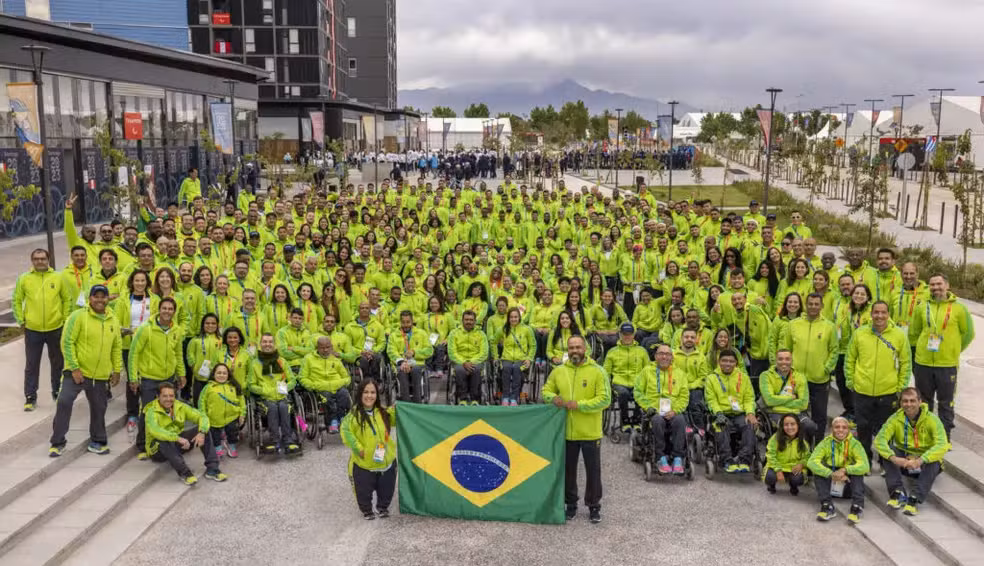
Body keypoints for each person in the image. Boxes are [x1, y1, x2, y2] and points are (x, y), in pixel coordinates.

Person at [542, 335, 610, 524]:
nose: (574, 351)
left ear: (585, 349)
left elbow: (605, 399)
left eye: (578, 347)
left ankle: (594, 506)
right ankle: (570, 505)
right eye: (571, 348)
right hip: (566, 432)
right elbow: (546, 390)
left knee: (593, 471)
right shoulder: (559, 371)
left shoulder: (598, 371)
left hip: (590, 431)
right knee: (568, 471)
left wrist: (579, 405)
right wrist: (552, 398)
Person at [48, 285, 122, 457]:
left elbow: (116, 346)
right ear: (90, 299)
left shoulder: (113, 320)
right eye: (96, 297)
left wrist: (117, 369)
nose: (99, 300)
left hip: (100, 375)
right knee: (64, 402)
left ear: (108, 299)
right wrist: (74, 368)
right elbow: (67, 342)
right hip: (76, 373)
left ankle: (98, 441)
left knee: (99, 407)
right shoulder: (77, 316)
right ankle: (58, 441)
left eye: (103, 297)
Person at [908, 273, 974, 438]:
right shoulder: (922, 307)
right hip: (923, 363)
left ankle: (944, 436)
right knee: (924, 401)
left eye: (939, 284)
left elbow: (968, 334)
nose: (936, 288)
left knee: (946, 402)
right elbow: (914, 333)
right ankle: (924, 434)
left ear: (947, 285)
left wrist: (953, 349)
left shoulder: (959, 309)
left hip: (947, 365)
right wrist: (920, 352)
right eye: (932, 285)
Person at [846, 300, 911, 463]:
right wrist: (850, 380)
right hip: (862, 390)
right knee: (863, 428)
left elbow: (905, 363)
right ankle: (864, 459)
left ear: (888, 315)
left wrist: (901, 387)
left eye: (883, 312)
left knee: (886, 430)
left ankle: (885, 462)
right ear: (871, 313)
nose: (879, 316)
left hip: (888, 392)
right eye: (876, 312)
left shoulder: (899, 335)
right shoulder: (860, 333)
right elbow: (850, 358)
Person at [875, 388, 950, 516]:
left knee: (935, 460)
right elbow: (879, 440)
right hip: (904, 462)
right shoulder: (894, 418)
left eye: (912, 401)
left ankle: (914, 498)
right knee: (888, 452)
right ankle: (898, 493)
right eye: (905, 401)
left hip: (923, 463)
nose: (908, 404)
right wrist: (895, 458)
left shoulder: (932, 419)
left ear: (920, 401)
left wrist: (921, 460)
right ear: (900, 403)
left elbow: (943, 445)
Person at [129, 297, 184, 460]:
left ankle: (165, 444)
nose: (167, 311)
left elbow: (179, 354)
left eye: (170, 309)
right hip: (149, 379)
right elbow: (134, 354)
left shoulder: (177, 331)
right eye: (164, 308)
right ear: (159, 310)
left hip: (169, 378)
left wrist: (181, 374)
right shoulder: (145, 329)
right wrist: (133, 377)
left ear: (174, 312)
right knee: (148, 412)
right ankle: (143, 445)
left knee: (168, 413)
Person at [15, 248, 71, 411]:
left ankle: (57, 390)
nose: (40, 261)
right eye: (36, 259)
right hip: (33, 329)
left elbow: (66, 299)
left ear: (48, 260)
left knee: (57, 362)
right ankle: (30, 396)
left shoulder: (58, 277)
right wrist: (21, 320)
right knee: (32, 364)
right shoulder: (24, 279)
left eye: (43, 259)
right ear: (32, 261)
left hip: (55, 327)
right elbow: (17, 300)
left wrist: (65, 319)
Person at [781, 293, 838, 444]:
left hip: (819, 379)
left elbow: (834, 350)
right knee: (795, 415)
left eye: (816, 304)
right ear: (805, 305)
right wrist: (788, 369)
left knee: (819, 416)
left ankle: (818, 447)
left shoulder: (829, 327)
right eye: (810, 304)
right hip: (796, 379)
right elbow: (785, 349)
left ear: (822, 306)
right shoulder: (793, 325)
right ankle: (798, 445)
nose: (813, 307)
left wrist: (826, 368)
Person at [144, 381, 226, 484]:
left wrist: (201, 432)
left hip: (178, 443)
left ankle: (212, 469)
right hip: (157, 450)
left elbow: (202, 416)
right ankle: (185, 473)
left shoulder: (179, 406)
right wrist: (177, 438)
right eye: (165, 396)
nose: (168, 399)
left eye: (171, 396)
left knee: (204, 429)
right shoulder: (151, 411)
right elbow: (156, 431)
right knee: (162, 440)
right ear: (157, 396)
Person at [341, 379, 396, 520]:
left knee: (387, 488)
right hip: (364, 462)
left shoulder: (383, 412)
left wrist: (399, 409)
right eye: (366, 392)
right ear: (360, 394)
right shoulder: (353, 415)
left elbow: (397, 418)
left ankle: (382, 507)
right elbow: (346, 431)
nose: (369, 396)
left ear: (377, 395)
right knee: (363, 491)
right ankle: (366, 510)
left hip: (386, 459)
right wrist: (358, 449)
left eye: (373, 392)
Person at [634, 345, 689, 475]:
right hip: (654, 411)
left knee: (680, 420)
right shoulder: (646, 371)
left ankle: (677, 458)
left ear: (672, 357)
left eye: (667, 354)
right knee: (657, 421)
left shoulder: (680, 374)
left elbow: (684, 396)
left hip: (673, 411)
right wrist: (649, 408)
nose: (664, 356)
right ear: (655, 356)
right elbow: (638, 392)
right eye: (661, 353)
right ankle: (660, 457)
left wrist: (675, 410)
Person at [808, 416, 869, 524]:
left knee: (857, 471)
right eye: (837, 427)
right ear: (832, 429)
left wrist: (845, 470)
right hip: (830, 484)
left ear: (848, 430)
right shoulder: (825, 443)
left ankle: (857, 507)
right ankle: (827, 506)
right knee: (819, 470)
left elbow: (865, 466)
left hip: (847, 485)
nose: (840, 430)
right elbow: (811, 462)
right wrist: (831, 474)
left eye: (844, 427)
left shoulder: (855, 444)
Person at [704, 350, 758, 473]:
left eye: (731, 361)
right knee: (720, 426)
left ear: (736, 363)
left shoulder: (743, 378)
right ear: (719, 362)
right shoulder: (711, 378)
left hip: (740, 413)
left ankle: (744, 460)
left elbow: (749, 398)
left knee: (749, 425)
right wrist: (718, 413)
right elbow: (711, 399)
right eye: (724, 361)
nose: (728, 364)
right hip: (721, 413)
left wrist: (750, 413)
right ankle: (727, 460)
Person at [249, 333, 301, 455]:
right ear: (260, 344)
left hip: (282, 396)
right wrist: (264, 390)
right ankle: (275, 440)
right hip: (265, 398)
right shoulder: (255, 363)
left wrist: (285, 388)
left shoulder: (282, 361)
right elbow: (251, 385)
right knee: (272, 408)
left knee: (284, 407)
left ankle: (288, 440)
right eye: (265, 342)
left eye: (270, 342)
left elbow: (292, 380)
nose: (268, 344)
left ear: (274, 344)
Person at [758, 349, 817, 442]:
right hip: (775, 413)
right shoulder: (765, 376)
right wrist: (792, 397)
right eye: (780, 359)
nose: (784, 362)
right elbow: (769, 400)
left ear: (791, 361)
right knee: (788, 428)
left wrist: (776, 402)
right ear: (776, 361)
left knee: (810, 426)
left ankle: (805, 452)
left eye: (787, 359)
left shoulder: (800, 377)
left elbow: (803, 404)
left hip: (796, 413)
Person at [299, 336, 353, 433]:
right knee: (327, 398)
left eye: (328, 347)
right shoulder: (308, 359)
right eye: (322, 347)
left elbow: (347, 377)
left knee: (344, 394)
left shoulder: (336, 360)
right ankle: (332, 422)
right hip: (319, 387)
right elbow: (302, 378)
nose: (325, 350)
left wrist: (339, 383)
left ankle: (341, 419)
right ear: (317, 348)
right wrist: (314, 385)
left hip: (337, 386)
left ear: (331, 347)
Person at [603, 322, 649, 432]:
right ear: (620, 335)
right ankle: (625, 421)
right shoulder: (612, 352)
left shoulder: (642, 351)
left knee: (639, 393)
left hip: (637, 383)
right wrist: (607, 386)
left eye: (629, 334)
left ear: (633, 335)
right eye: (624, 334)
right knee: (623, 393)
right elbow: (606, 372)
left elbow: (648, 370)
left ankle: (636, 420)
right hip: (619, 383)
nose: (627, 337)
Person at [198, 362, 245, 458]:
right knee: (215, 435)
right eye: (219, 373)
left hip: (232, 417)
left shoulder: (233, 386)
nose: (221, 375)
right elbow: (201, 403)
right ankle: (218, 447)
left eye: (224, 373)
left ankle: (231, 446)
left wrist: (242, 414)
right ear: (213, 374)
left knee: (232, 433)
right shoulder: (208, 388)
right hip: (214, 419)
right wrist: (204, 416)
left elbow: (241, 401)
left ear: (228, 375)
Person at [387, 311, 433, 403]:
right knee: (402, 370)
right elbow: (391, 352)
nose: (406, 325)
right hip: (401, 365)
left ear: (412, 322)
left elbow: (429, 350)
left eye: (408, 322)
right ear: (400, 322)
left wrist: (415, 352)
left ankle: (417, 402)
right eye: (403, 322)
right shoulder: (393, 336)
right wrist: (402, 362)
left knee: (415, 370)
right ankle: (406, 403)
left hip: (417, 364)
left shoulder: (421, 333)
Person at [764, 414, 810, 495]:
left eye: (792, 424)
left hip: (793, 468)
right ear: (782, 426)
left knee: (797, 479)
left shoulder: (802, 440)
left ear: (798, 425)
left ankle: (793, 485)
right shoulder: (775, 438)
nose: (789, 427)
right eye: (786, 425)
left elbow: (808, 456)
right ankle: (771, 485)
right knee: (770, 477)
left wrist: (801, 464)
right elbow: (770, 455)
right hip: (778, 466)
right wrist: (778, 470)